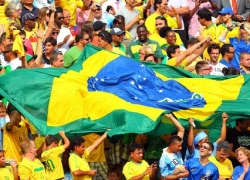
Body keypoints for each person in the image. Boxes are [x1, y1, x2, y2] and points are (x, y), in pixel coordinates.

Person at [159, 114, 189, 179]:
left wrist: (171, 117)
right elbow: (165, 177)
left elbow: (181, 130)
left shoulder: (176, 148)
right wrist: (180, 175)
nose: (181, 148)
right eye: (179, 146)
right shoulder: (164, 158)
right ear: (172, 145)